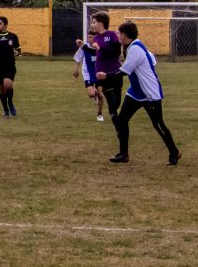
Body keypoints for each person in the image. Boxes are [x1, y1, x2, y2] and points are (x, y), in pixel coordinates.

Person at [96, 21, 181, 165]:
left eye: (119, 33)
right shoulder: (135, 46)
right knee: (122, 120)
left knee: (158, 124)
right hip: (135, 92)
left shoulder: (135, 48)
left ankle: (174, 152)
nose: (118, 35)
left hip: (149, 94)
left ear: (124, 35)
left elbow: (123, 72)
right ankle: (124, 154)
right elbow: (153, 61)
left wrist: (106, 76)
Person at [89, 12, 123, 122]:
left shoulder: (112, 35)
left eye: (93, 22)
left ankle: (116, 119)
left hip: (115, 74)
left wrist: (100, 48)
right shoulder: (96, 38)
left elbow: (117, 52)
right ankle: (117, 123)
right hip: (102, 75)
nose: (91, 25)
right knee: (112, 106)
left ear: (101, 23)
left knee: (117, 103)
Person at [73, 31, 104, 122]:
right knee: (91, 95)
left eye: (91, 37)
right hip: (87, 73)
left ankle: (100, 114)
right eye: (88, 37)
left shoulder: (99, 47)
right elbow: (78, 58)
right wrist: (76, 69)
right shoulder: (84, 47)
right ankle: (94, 92)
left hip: (99, 72)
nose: (89, 39)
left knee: (101, 95)